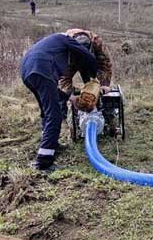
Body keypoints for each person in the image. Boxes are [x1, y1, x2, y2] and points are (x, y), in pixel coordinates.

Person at [21, 30, 98, 171]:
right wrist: (93, 77)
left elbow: (53, 91)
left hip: (27, 71)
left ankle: (51, 143)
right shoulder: (66, 39)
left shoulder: (53, 44)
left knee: (46, 110)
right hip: (40, 69)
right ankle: (44, 162)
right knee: (54, 115)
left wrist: (70, 97)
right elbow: (87, 55)